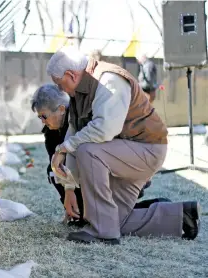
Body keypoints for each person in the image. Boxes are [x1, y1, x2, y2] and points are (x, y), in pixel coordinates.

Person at [45, 46, 200, 244]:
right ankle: (181, 217)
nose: (60, 89)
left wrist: (62, 148)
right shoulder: (80, 91)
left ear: (71, 75)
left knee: (88, 150)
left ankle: (104, 233)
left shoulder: (109, 80)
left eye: (59, 84)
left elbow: (104, 129)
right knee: (112, 219)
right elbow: (74, 132)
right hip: (127, 153)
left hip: (147, 150)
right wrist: (68, 187)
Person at [31, 84, 171, 228]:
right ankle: (79, 211)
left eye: (44, 116)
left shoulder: (82, 117)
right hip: (88, 177)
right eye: (40, 117)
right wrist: (68, 195)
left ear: (61, 109)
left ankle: (163, 210)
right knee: (53, 170)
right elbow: (59, 167)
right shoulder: (51, 132)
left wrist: (70, 188)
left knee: (106, 220)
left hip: (116, 174)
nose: (43, 121)